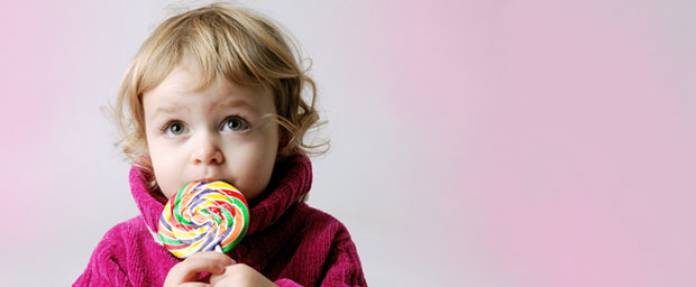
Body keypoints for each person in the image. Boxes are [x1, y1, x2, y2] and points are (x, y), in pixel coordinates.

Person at [74, 3, 366, 286]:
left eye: (234, 123)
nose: (205, 153)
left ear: (283, 135)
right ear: (146, 145)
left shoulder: (325, 242)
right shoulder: (121, 254)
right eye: (175, 127)